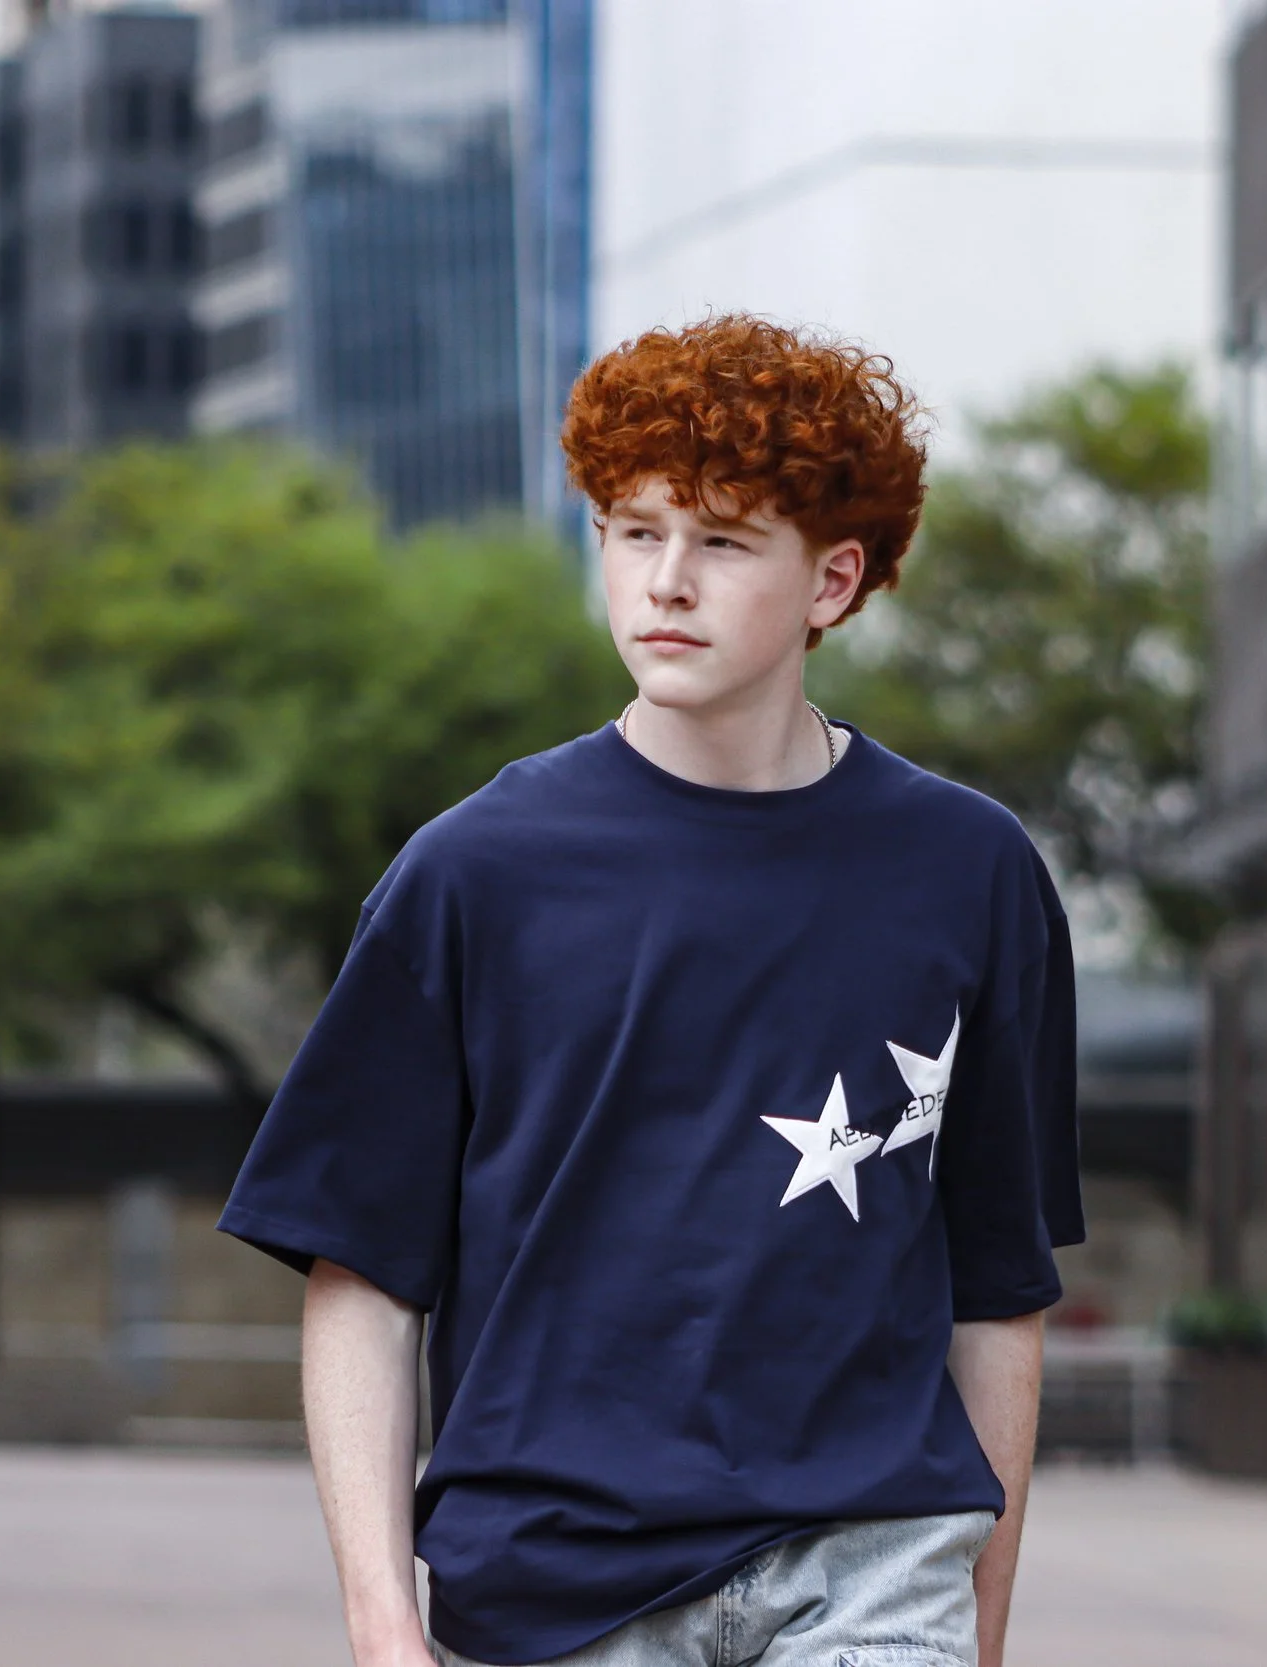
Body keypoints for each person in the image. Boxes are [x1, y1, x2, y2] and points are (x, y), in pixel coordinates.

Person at [219, 313, 1082, 1667]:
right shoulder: (471, 874)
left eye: (725, 541)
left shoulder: (968, 870)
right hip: (554, 1580)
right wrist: (384, 1624)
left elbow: (997, 1289)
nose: (666, 580)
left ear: (833, 580)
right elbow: (363, 1276)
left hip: (876, 1558)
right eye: (633, 531)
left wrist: (980, 1631)